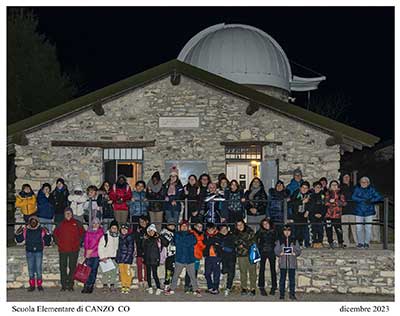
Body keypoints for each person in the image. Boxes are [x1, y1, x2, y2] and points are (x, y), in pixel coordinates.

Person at [164, 220, 202, 297]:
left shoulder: (192, 235)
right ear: (180, 227)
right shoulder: (177, 234)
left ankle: (196, 289)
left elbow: (193, 242)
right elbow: (177, 242)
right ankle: (171, 288)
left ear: (188, 227)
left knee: (192, 276)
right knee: (175, 275)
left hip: (190, 258)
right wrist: (186, 242)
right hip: (180, 258)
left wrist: (183, 242)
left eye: (185, 226)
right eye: (182, 226)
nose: (184, 227)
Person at [15, 216, 51, 292]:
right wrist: (18, 233)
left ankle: (39, 285)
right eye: (32, 221)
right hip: (29, 252)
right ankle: (32, 285)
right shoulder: (26, 230)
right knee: (31, 269)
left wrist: (48, 234)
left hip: (38, 252)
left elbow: (47, 242)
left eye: (35, 221)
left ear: (37, 222)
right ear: (29, 222)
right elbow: (19, 240)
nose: (33, 222)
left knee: (38, 269)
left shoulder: (41, 230)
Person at [53, 207, 85, 291]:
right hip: (63, 249)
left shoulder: (77, 223)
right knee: (63, 267)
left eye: (69, 213)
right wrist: (59, 243)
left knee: (72, 267)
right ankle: (63, 285)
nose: (68, 214)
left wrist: (79, 243)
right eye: (66, 213)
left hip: (74, 249)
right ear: (64, 214)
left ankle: (70, 285)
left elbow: (82, 234)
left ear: (72, 214)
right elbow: (55, 234)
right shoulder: (60, 224)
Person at [352, 177, 383, 249]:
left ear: (368, 183)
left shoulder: (371, 189)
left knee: (368, 228)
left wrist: (371, 200)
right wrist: (362, 200)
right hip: (359, 211)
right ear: (360, 183)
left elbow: (379, 197)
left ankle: (366, 243)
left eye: (365, 182)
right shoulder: (357, 189)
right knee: (358, 228)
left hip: (369, 211)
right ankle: (360, 243)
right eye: (362, 182)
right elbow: (353, 197)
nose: (363, 183)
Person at [274, 225, 301, 300]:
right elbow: (276, 250)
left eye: (288, 230)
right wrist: (280, 253)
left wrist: (295, 253)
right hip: (283, 264)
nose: (287, 232)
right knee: (282, 279)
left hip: (292, 263)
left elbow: (299, 250)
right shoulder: (280, 240)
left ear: (291, 231)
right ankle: (282, 294)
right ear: (283, 231)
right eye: (285, 230)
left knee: (292, 280)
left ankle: (292, 294)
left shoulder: (295, 240)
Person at [233, 219, 257, 296]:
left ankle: (253, 288)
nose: (240, 226)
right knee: (243, 272)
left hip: (251, 254)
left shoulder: (250, 231)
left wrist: (243, 244)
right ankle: (244, 288)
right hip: (241, 255)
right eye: (238, 225)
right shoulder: (235, 233)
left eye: (241, 224)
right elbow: (235, 242)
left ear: (244, 224)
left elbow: (253, 241)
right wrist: (244, 242)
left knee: (252, 272)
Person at [255, 218, 277, 296]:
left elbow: (278, 240)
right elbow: (255, 239)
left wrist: (276, 248)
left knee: (273, 270)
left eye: (266, 223)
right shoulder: (260, 232)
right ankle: (261, 287)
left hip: (271, 252)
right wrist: (259, 248)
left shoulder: (274, 231)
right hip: (263, 252)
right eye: (264, 224)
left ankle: (274, 287)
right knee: (262, 269)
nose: (265, 225)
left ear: (269, 223)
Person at [82, 218, 104, 294]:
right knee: (87, 271)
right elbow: (86, 242)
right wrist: (87, 252)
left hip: (96, 254)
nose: (95, 224)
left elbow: (100, 243)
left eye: (97, 223)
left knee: (93, 271)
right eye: (94, 223)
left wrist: (91, 250)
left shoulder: (101, 232)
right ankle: (86, 285)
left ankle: (91, 285)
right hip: (88, 254)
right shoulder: (88, 232)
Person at [98, 220, 119, 293]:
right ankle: (105, 285)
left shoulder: (118, 237)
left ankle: (112, 285)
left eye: (115, 228)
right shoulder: (105, 236)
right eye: (112, 228)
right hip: (106, 258)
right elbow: (100, 247)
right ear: (110, 228)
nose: (114, 229)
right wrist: (102, 257)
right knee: (105, 273)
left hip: (114, 258)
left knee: (113, 273)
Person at [184, 222, 205, 292]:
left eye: (201, 227)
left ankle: (192, 285)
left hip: (198, 255)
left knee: (195, 271)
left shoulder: (201, 235)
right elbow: (199, 243)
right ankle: (187, 285)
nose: (199, 228)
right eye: (198, 226)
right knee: (189, 271)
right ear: (195, 226)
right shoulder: (191, 233)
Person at [325, 180, 346, 248]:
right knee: (329, 230)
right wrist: (333, 203)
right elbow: (325, 202)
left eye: (335, 185)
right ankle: (330, 242)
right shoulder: (327, 193)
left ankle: (340, 242)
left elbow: (344, 203)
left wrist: (334, 202)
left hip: (337, 215)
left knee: (339, 230)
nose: (334, 186)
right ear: (330, 186)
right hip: (328, 215)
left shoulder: (341, 194)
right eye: (332, 185)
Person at [289, 181, 311, 247]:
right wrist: (301, 202)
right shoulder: (295, 194)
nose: (304, 189)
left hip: (304, 216)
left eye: (306, 188)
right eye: (303, 187)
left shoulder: (309, 195)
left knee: (305, 231)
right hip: (296, 215)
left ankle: (306, 245)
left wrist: (308, 211)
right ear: (300, 188)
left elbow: (312, 204)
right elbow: (291, 203)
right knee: (296, 231)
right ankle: (296, 244)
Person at [143, 224, 162, 295]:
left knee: (155, 274)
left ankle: (158, 287)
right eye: (149, 231)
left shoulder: (158, 239)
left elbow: (162, 245)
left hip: (154, 259)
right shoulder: (146, 239)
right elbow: (143, 248)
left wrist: (159, 236)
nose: (151, 232)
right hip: (147, 259)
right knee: (148, 274)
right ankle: (150, 286)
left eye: (152, 231)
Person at [217, 224, 236, 296]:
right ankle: (219, 285)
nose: (224, 231)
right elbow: (217, 247)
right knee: (224, 271)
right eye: (222, 229)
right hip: (222, 257)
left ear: (228, 229)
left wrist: (223, 247)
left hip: (231, 257)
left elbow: (232, 248)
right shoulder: (218, 236)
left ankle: (228, 287)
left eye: (225, 229)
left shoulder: (232, 236)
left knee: (231, 273)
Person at [203, 223, 222, 294]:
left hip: (216, 257)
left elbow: (219, 243)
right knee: (207, 273)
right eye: (209, 229)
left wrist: (211, 241)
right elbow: (205, 243)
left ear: (214, 229)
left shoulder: (219, 235)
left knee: (216, 273)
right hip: (208, 256)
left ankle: (215, 288)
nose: (210, 231)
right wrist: (212, 242)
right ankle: (210, 287)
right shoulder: (205, 235)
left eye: (212, 229)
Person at [116, 223, 135, 294]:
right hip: (121, 258)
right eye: (122, 229)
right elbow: (118, 249)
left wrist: (127, 258)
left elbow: (130, 249)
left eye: (125, 229)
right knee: (122, 272)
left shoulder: (129, 237)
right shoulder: (119, 237)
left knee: (127, 272)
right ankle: (123, 285)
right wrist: (118, 257)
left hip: (127, 259)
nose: (124, 230)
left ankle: (128, 285)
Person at [340, 173, 357, 246]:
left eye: (348, 177)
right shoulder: (340, 187)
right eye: (345, 177)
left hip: (353, 210)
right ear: (342, 178)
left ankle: (357, 242)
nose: (346, 178)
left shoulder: (353, 187)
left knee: (354, 228)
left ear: (350, 178)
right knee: (345, 228)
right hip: (344, 210)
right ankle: (346, 243)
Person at [308, 181, 326, 248]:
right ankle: (314, 242)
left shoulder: (323, 196)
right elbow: (310, 206)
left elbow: (324, 207)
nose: (317, 189)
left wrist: (321, 214)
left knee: (320, 230)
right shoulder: (311, 196)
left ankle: (320, 242)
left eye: (319, 187)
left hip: (321, 216)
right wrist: (314, 214)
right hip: (313, 216)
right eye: (316, 187)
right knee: (314, 230)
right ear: (314, 188)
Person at [160, 222, 176, 290]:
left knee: (173, 270)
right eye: (170, 225)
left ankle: (171, 284)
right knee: (168, 270)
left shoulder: (174, 233)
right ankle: (167, 284)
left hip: (174, 253)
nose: (172, 227)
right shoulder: (164, 232)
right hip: (168, 254)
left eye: (173, 225)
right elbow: (165, 243)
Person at [134, 216, 149, 287]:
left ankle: (146, 280)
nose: (142, 223)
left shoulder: (150, 230)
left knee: (146, 266)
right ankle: (140, 280)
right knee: (139, 266)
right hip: (139, 251)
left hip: (147, 251)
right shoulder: (138, 230)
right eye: (140, 222)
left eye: (143, 221)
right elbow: (136, 240)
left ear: (147, 221)